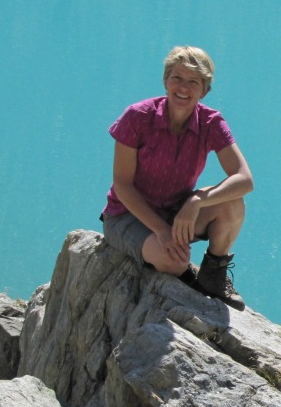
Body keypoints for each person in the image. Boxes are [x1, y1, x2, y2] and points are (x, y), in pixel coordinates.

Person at [100, 46, 253, 310]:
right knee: (173, 261)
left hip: (177, 212)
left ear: (205, 90)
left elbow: (244, 179)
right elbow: (122, 185)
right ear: (165, 81)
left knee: (233, 203)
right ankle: (184, 273)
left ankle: (213, 274)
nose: (183, 88)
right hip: (127, 216)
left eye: (194, 82)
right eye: (177, 78)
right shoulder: (137, 117)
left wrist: (196, 200)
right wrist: (161, 231)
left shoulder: (211, 123)